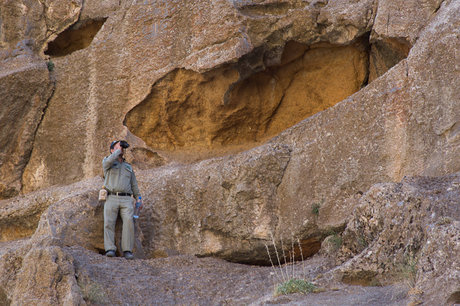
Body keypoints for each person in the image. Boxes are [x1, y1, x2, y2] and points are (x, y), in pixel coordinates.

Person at [102, 140, 142, 259]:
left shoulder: (128, 167)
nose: (121, 150)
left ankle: (127, 250)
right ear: (112, 150)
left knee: (129, 222)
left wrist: (139, 198)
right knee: (109, 222)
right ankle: (110, 249)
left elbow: (134, 184)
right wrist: (117, 151)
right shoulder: (108, 162)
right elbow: (108, 162)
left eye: (122, 148)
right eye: (118, 147)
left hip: (126, 199)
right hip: (111, 196)